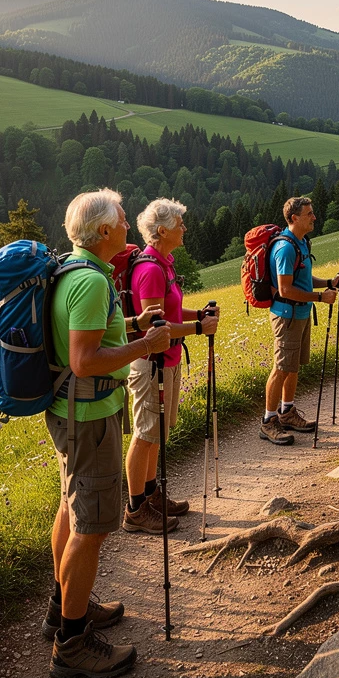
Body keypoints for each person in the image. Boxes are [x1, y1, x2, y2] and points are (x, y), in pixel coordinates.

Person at [44, 188, 171, 678]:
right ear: (103, 232)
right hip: (90, 416)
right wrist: (145, 342)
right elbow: (84, 360)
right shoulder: (93, 283)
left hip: (69, 411)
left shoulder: (72, 270)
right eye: (121, 218)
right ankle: (71, 643)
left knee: (69, 507)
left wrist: (133, 325)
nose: (126, 224)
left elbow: (88, 340)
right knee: (91, 526)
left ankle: (64, 605)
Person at [122, 198, 220, 535]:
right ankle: (135, 509)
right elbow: (156, 328)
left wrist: (198, 316)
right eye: (180, 223)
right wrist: (197, 328)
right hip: (152, 363)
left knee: (157, 433)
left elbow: (171, 312)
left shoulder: (165, 263)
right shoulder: (150, 270)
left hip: (169, 361)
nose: (185, 228)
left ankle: (150, 496)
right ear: (162, 230)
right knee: (145, 434)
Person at [262, 196, 339, 445]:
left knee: (293, 365)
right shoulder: (286, 248)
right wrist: (320, 296)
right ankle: (268, 421)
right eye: (309, 213)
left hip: (300, 313)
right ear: (294, 218)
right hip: (286, 316)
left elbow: (303, 280)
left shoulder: (302, 243)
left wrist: (328, 283)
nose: (314, 217)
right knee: (281, 367)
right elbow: (285, 289)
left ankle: (287, 412)